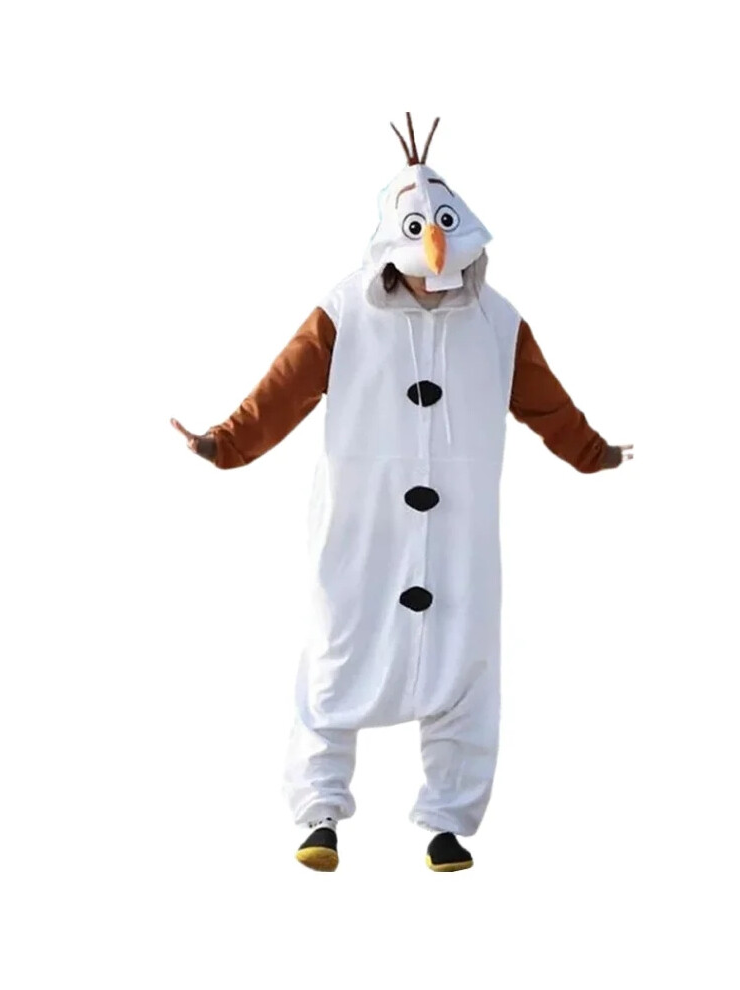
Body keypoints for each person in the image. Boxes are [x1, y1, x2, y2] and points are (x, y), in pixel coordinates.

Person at [172, 114, 633, 872]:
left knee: (464, 664)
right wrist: (226, 442)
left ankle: (447, 823)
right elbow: (285, 388)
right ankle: (320, 813)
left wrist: (595, 453)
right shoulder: (345, 310)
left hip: (459, 534)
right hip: (364, 524)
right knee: (337, 653)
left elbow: (546, 402)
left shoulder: (497, 321)